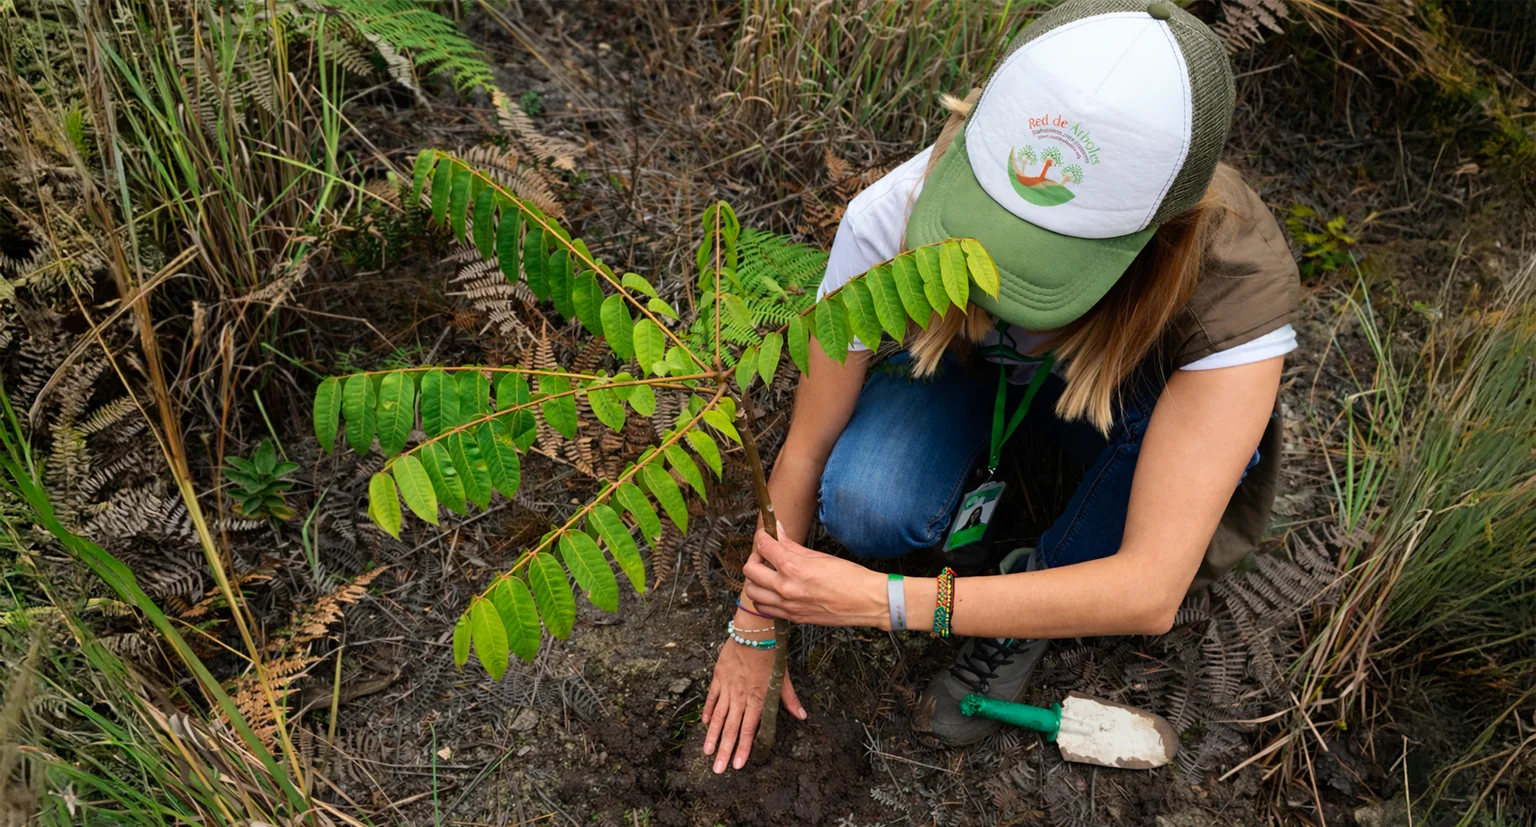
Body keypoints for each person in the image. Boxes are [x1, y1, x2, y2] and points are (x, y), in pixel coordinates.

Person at [702, 0, 1300, 774]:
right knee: (865, 500)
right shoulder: (895, 210)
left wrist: (890, 602)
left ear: (1161, 233)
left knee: (1197, 475)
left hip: (1120, 411)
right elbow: (809, 441)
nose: (996, 288)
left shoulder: (1232, 292)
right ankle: (1000, 510)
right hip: (974, 378)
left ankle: (1036, 595)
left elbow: (1152, 586)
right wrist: (755, 624)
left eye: (1045, 272)